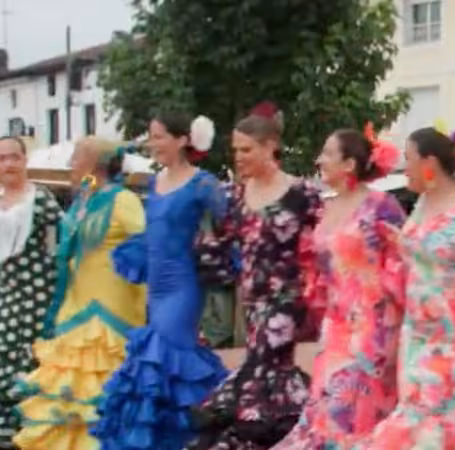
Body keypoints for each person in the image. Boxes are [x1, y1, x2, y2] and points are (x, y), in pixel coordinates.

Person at [187, 104, 324, 450]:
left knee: (263, 369)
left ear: (270, 147)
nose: (238, 157)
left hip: (288, 302)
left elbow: (325, 245)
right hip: (252, 302)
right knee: (265, 374)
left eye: (246, 149)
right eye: (235, 150)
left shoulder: (302, 194)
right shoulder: (235, 196)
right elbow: (214, 251)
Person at [91, 113, 229, 449]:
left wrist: (211, 248)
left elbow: (229, 223)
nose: (152, 144)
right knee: (156, 360)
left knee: (163, 352)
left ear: (182, 140)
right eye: (151, 137)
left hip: (183, 284)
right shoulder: (155, 182)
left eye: (159, 136)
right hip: (156, 283)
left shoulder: (203, 183)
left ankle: (185, 434)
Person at [272, 125, 406, 449]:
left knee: (351, 411)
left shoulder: (381, 206)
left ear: (349, 164)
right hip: (335, 325)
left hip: (373, 325)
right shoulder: (327, 208)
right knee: (323, 409)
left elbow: (405, 262)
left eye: (328, 153)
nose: (319, 160)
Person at [357, 126, 455, 448]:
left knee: (445, 420)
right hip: (417, 334)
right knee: (417, 416)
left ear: (429, 162)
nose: (404, 167)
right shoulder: (420, 206)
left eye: (409, 158)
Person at [14, 137, 147, 449]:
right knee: (69, 390)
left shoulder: (122, 199)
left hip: (110, 310)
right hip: (75, 306)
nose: (70, 164)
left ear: (93, 164)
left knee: (100, 382)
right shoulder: (87, 196)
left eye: (75, 158)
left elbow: (147, 242)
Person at [0, 136, 61, 447]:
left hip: (38, 300)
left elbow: (61, 245)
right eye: (2, 159)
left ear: (25, 160)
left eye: (14, 157)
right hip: (5, 299)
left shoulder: (41, 200)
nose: (8, 164)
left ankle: (37, 433)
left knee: (37, 366)